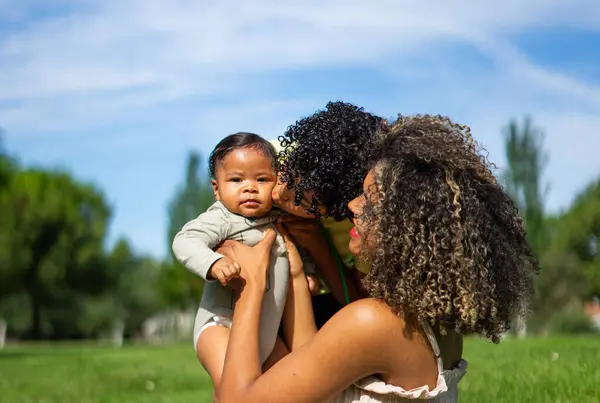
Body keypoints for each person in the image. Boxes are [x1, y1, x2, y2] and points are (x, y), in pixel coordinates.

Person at [213, 115, 538, 402]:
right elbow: (306, 366)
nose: (352, 206)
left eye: (370, 199)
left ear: (409, 225)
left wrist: (252, 284)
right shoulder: (427, 321)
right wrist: (296, 271)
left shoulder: (371, 321)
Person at [171, 132, 316, 393]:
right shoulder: (223, 218)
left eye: (261, 179)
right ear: (217, 189)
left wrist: (309, 273)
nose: (249, 187)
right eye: (236, 180)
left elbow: (297, 252)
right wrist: (213, 263)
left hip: (268, 335)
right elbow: (185, 240)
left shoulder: (278, 221)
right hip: (222, 323)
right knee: (229, 387)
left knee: (290, 389)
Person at [271, 101, 385, 327]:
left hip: (326, 305)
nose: (286, 194)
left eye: (304, 201)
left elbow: (356, 298)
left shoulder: (358, 222)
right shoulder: (261, 156)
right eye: (292, 174)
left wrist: (316, 242)